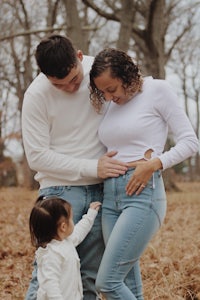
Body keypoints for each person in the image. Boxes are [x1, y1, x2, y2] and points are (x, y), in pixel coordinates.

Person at [22, 35, 128, 300]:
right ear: (45, 76)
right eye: (60, 84)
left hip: (102, 190)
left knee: (90, 278)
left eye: (74, 79)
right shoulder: (36, 94)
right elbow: (37, 156)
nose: (70, 87)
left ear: (80, 57)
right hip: (59, 191)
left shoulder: (102, 73)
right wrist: (93, 167)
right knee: (47, 275)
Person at [89, 48, 199, 300]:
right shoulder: (111, 105)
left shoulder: (158, 90)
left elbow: (190, 141)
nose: (108, 96)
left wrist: (154, 164)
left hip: (142, 194)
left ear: (127, 76)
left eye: (112, 89)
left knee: (107, 283)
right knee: (127, 281)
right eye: (102, 91)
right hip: (110, 197)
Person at [29, 196, 101, 300]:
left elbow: (80, 231)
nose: (72, 221)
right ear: (63, 227)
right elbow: (50, 284)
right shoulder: (51, 254)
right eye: (71, 219)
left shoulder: (66, 241)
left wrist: (90, 215)